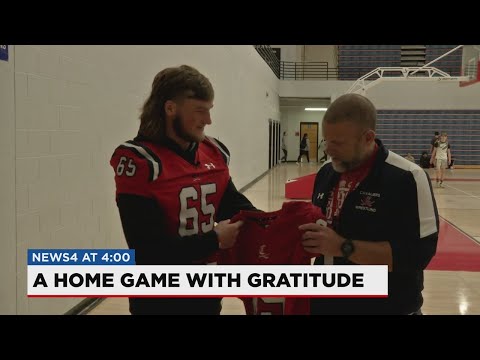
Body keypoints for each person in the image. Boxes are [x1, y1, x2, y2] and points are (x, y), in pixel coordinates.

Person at [109, 65, 258, 315]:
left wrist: (277, 223)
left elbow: (234, 205)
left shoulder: (213, 151)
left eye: (209, 110)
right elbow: (148, 252)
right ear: (170, 109)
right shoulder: (141, 161)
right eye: (200, 111)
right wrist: (215, 239)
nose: (208, 120)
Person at [299, 93, 439, 315]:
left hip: (388, 306)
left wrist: (342, 247)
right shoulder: (326, 172)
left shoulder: (408, 177)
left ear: (368, 137)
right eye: (327, 140)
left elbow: (417, 256)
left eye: (338, 143)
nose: (328, 149)